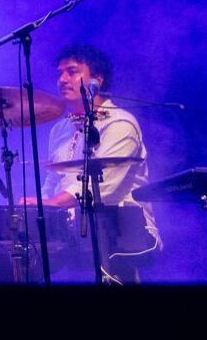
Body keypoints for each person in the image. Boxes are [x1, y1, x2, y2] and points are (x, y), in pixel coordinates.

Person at [34, 44, 158, 282]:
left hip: (123, 229)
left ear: (97, 81)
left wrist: (52, 203)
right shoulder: (59, 129)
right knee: (11, 257)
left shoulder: (120, 123)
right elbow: (53, 180)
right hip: (72, 231)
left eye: (72, 72)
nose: (62, 80)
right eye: (60, 73)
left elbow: (103, 185)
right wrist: (38, 208)